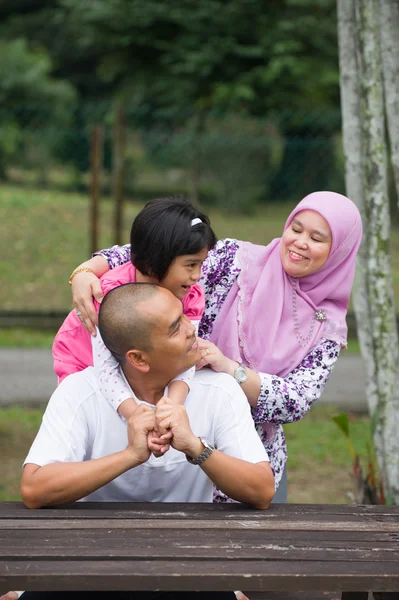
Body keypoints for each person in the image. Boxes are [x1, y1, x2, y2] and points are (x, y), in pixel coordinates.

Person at [67, 191, 363, 503]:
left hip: (246, 463)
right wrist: (87, 270)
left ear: (339, 251)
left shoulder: (327, 327)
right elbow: (157, 248)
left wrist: (229, 368)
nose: (301, 242)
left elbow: (296, 401)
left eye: (317, 238)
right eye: (296, 229)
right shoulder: (236, 261)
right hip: (172, 438)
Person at [15, 282, 274, 600]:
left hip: (187, 565)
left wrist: (197, 447)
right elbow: (34, 488)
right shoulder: (80, 391)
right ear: (139, 359)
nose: (192, 329)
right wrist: (131, 455)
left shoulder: (219, 389)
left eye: (184, 316)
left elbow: (261, 490)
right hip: (88, 564)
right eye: (175, 328)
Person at [53, 196, 217, 424]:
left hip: (131, 367)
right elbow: (106, 369)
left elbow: (187, 355)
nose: (197, 275)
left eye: (201, 264)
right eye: (191, 264)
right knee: (91, 419)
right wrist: (135, 415)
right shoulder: (112, 295)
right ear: (153, 263)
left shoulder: (190, 294)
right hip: (82, 358)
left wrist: (173, 404)